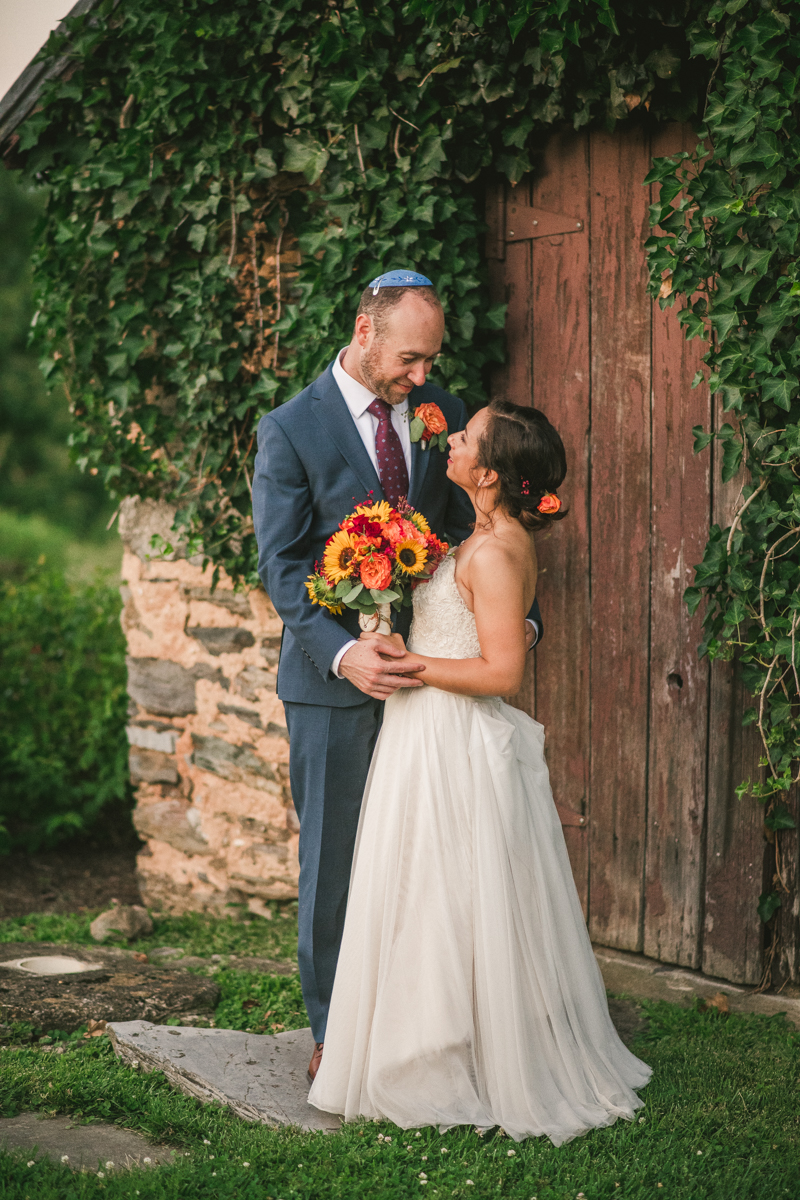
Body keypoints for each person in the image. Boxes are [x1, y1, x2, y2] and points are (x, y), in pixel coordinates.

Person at [308, 399, 651, 1144]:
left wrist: (410, 663)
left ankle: (450, 1056)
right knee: (432, 894)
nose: (450, 438)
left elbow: (502, 672)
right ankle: (438, 1037)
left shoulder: (495, 552)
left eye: (463, 438)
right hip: (425, 730)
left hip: (451, 737)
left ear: (487, 476)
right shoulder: (482, 535)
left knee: (447, 892)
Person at [252, 272, 542, 1082]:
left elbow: (474, 530)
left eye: (431, 362)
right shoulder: (289, 429)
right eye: (411, 360)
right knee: (337, 865)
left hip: (433, 692)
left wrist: (516, 620)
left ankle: (429, 1023)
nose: (423, 379)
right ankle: (335, 1033)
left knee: (424, 860)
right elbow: (280, 569)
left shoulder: (439, 413)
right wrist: (345, 652)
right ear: (364, 331)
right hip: (333, 686)